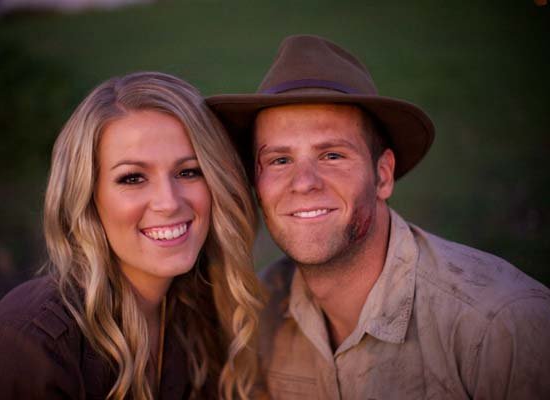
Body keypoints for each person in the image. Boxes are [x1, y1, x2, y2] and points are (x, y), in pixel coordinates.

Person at [207, 34, 550, 399]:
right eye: (280, 160)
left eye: (332, 155)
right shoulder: (256, 320)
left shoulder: (500, 326)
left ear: (383, 175)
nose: (303, 183)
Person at [0, 72, 263, 400]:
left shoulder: (198, 311)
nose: (169, 203)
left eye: (188, 172)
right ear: (87, 197)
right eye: (132, 178)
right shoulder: (31, 341)